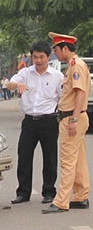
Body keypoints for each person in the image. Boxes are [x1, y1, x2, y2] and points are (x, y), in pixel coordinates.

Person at [7, 40, 64, 205]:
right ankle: (23, 193)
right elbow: (9, 84)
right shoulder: (25, 73)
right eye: (35, 57)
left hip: (49, 121)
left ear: (48, 57)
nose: (38, 60)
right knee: (24, 156)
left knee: (50, 157)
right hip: (30, 121)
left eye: (41, 57)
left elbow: (63, 98)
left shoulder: (57, 76)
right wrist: (17, 84)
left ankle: (49, 192)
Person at [42, 32, 91, 214]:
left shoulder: (75, 66)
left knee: (67, 161)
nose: (55, 53)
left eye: (56, 49)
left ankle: (61, 201)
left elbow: (80, 93)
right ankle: (80, 196)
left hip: (72, 117)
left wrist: (74, 119)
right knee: (78, 160)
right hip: (75, 117)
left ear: (64, 48)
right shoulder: (75, 65)